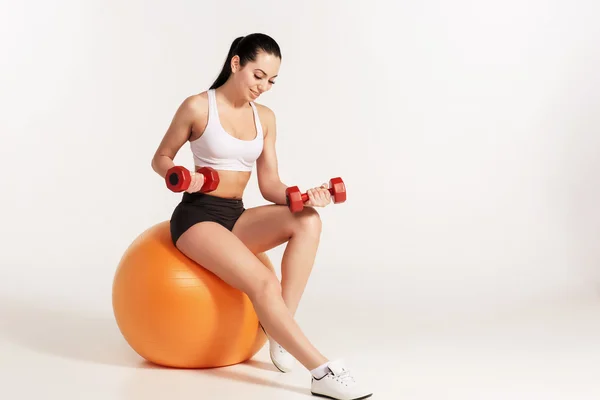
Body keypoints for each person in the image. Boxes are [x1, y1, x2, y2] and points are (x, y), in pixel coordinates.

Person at [151, 33, 372, 400]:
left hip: (235, 217)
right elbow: (160, 158)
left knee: (308, 221)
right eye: (258, 76)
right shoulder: (197, 107)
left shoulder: (265, 118)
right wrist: (181, 177)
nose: (264, 87)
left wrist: (306, 196)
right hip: (196, 218)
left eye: (271, 80)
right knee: (262, 284)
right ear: (236, 63)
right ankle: (320, 370)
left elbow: (270, 185)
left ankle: (280, 330)